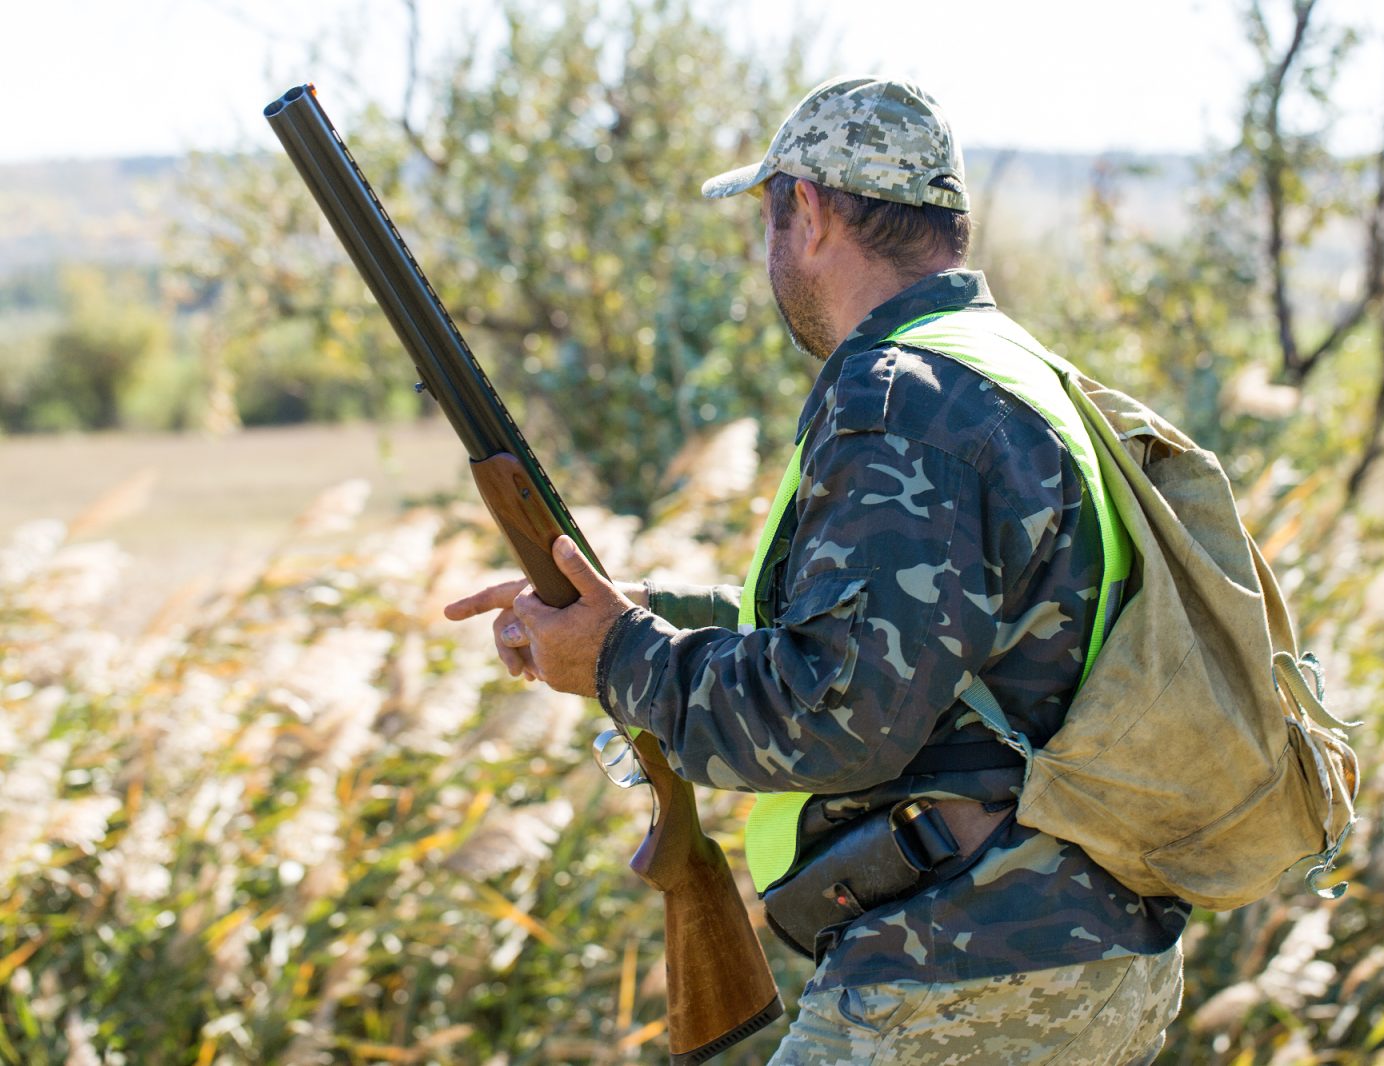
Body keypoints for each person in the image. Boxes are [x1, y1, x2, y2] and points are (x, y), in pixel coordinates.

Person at [445, 75, 1188, 1065]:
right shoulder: (1008, 369)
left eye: (766, 215)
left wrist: (625, 660)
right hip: (1073, 962)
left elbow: (837, 712)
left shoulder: (896, 394)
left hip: (960, 979)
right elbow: (932, 638)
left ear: (805, 207)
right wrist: (634, 613)